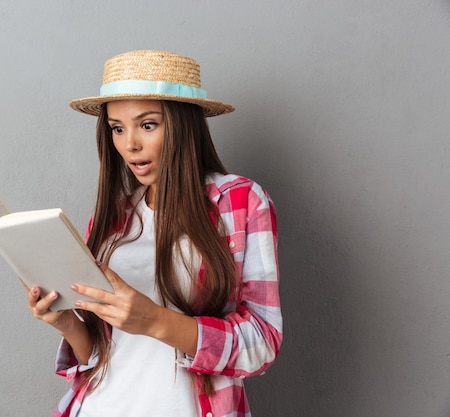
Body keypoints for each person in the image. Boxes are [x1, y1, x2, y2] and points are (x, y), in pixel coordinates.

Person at [22, 50, 282, 417]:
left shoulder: (240, 201)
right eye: (117, 127)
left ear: (183, 125)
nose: (130, 144)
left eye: (147, 125)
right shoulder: (111, 218)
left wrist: (154, 320)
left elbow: (262, 342)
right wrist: (68, 324)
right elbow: (103, 353)